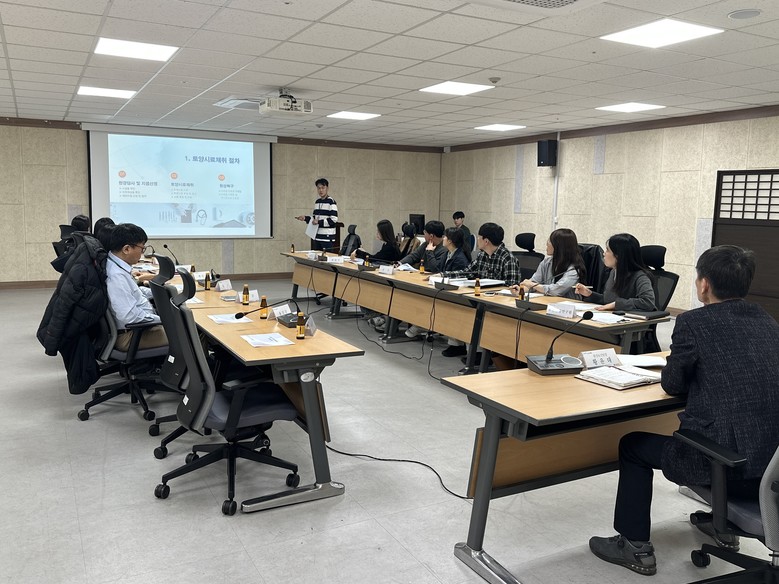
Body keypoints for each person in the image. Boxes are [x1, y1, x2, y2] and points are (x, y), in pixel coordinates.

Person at [589, 245, 779, 576]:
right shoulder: (768, 322)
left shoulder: (693, 322)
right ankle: (723, 528)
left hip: (729, 472)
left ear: (704, 285)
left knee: (632, 445)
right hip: (771, 475)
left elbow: (673, 384)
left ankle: (634, 546)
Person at [437, 222, 520, 356]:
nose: (478, 240)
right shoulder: (482, 255)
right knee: (459, 305)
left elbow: (513, 287)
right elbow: (467, 272)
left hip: (497, 303)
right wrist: (443, 275)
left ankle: (478, 353)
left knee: (474, 314)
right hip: (481, 298)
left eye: (479, 237)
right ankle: (458, 345)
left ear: (486, 241)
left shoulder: (508, 259)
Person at [106, 223, 168, 351]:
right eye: (142, 248)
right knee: (190, 334)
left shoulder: (116, 265)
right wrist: (163, 320)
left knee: (186, 328)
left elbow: (134, 291)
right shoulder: (116, 276)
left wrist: (159, 292)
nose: (142, 253)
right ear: (126, 249)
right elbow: (130, 316)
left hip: (139, 328)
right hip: (131, 335)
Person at [575, 233, 656, 311]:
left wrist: (616, 304)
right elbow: (609, 300)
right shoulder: (614, 272)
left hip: (632, 319)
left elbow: (648, 302)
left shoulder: (640, 276)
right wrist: (589, 294)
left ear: (618, 255)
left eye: (607, 250)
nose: (604, 253)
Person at [511, 228, 585, 298]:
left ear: (559, 246)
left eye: (550, 241)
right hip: (548, 301)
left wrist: (533, 285)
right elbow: (533, 281)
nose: (547, 243)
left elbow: (557, 291)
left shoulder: (574, 269)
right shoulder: (546, 262)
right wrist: (521, 289)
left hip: (567, 305)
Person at [295, 178, 338, 251]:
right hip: (317, 237)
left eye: (323, 188)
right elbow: (315, 218)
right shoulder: (317, 202)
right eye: (318, 188)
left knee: (326, 258)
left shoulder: (331, 202)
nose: (320, 190)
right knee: (316, 257)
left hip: (327, 238)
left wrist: (319, 222)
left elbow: (334, 219)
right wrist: (305, 218)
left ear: (327, 188)